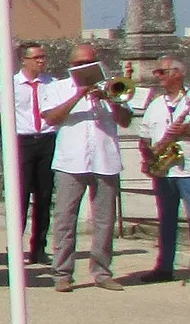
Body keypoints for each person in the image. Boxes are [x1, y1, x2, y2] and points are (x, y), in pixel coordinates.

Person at [42, 42, 132, 291]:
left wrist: (110, 100)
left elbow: (125, 121)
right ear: (71, 66)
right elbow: (50, 118)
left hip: (105, 159)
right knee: (65, 218)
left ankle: (102, 272)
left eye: (90, 62)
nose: (85, 67)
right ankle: (62, 273)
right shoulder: (57, 88)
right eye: (80, 64)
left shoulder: (111, 88)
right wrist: (79, 94)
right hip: (71, 160)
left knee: (105, 220)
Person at [137, 55, 190, 283]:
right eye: (157, 72)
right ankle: (164, 267)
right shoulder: (155, 104)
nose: (158, 76)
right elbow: (144, 137)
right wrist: (148, 157)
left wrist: (187, 132)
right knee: (166, 219)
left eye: (162, 72)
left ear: (178, 73)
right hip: (165, 171)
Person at [0, 43, 62, 265]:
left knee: (44, 196)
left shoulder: (53, 84)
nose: (41, 61)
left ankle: (38, 247)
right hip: (22, 142)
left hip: (48, 140)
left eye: (43, 56)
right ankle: (14, 245)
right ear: (24, 60)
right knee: (19, 197)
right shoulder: (10, 85)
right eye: (36, 57)